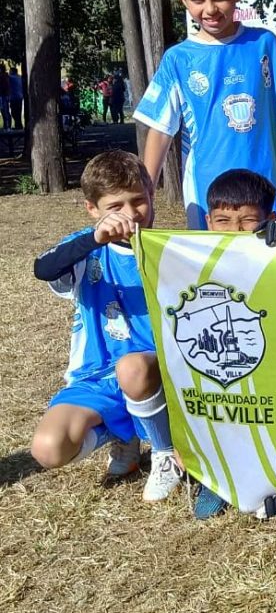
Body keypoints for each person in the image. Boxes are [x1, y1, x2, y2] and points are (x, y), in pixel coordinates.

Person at [30, 151, 181, 501]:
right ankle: (122, 436)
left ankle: (162, 453)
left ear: (151, 195)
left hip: (157, 375)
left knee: (132, 367)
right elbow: (43, 269)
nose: (130, 215)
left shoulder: (173, 248)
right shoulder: (87, 249)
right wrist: (95, 239)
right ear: (92, 209)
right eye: (115, 206)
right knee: (47, 449)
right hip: (97, 377)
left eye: (139, 201)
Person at [133, 0, 276, 229]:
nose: (210, 9)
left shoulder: (265, 44)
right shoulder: (178, 59)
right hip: (209, 195)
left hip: (268, 192)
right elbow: (159, 132)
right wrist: (146, 195)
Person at [189, 168, 276, 520]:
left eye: (247, 221)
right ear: (209, 221)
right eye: (224, 221)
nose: (236, 231)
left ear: (269, 220)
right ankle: (216, 477)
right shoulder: (190, 262)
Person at [8, 64, 23, 130]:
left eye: (10, 71)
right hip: (20, 97)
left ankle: (18, 126)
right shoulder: (20, 77)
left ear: (13, 72)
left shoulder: (11, 78)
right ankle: (19, 125)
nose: (9, 72)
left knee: (14, 112)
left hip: (14, 97)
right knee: (18, 112)